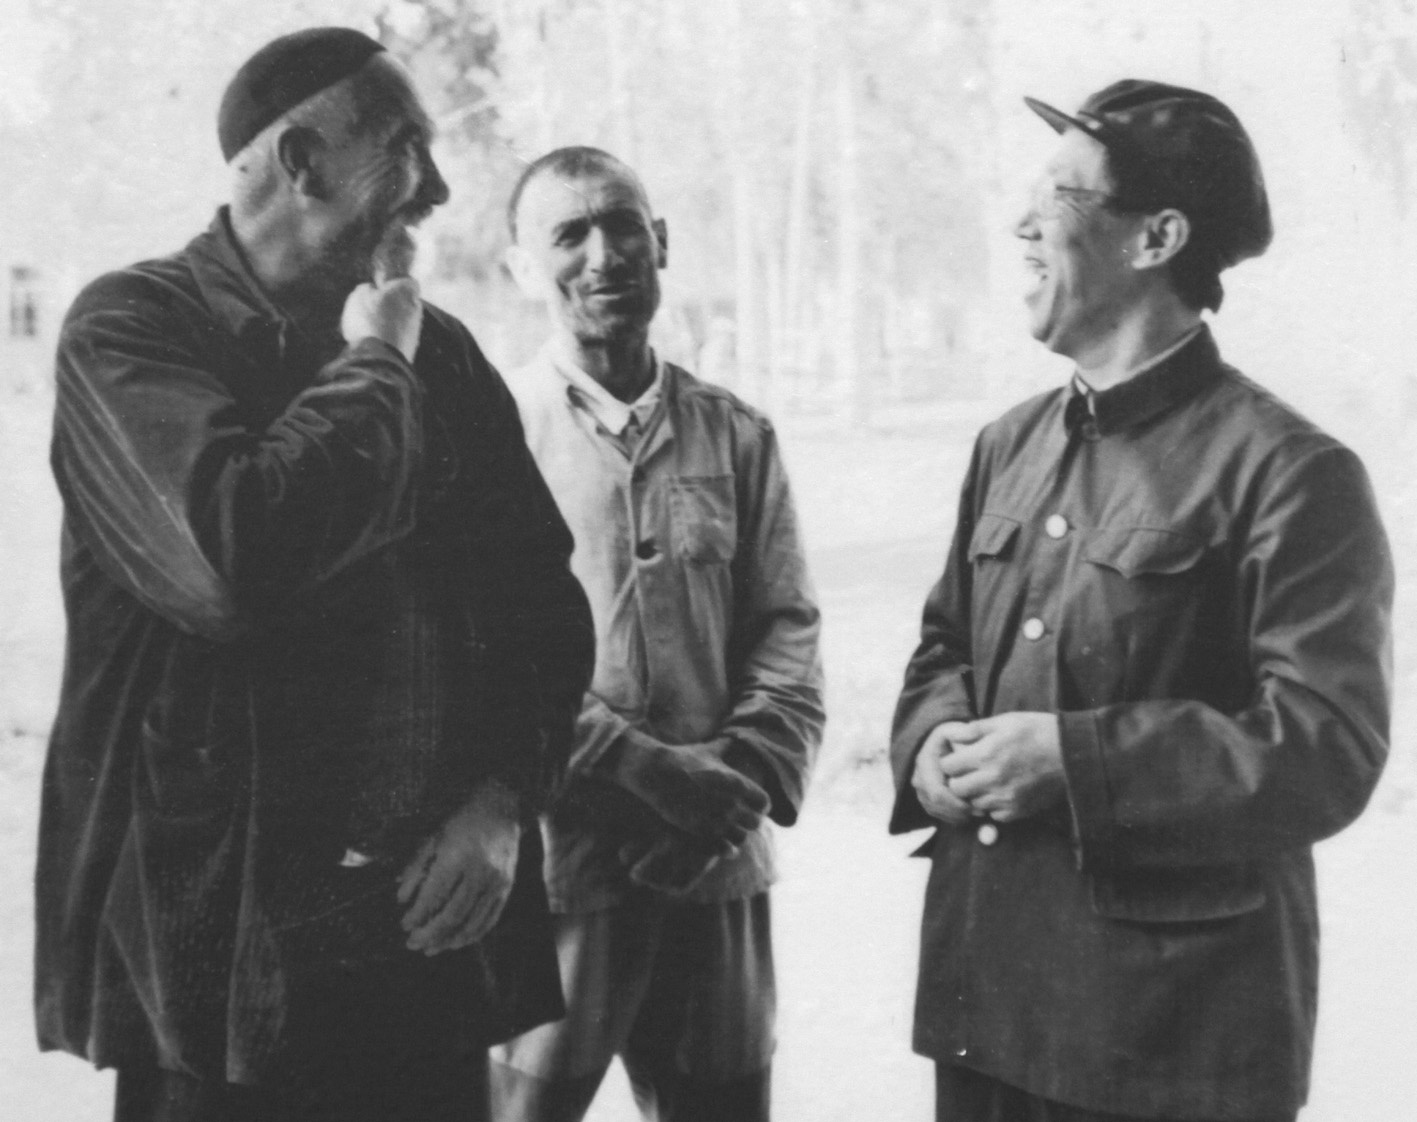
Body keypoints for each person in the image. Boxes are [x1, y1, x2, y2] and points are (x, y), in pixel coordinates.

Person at [35, 27, 594, 1122]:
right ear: (302, 162)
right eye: (405, 148)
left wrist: (500, 800)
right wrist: (375, 363)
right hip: (218, 954)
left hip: (422, 939)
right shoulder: (131, 328)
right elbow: (231, 559)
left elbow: (540, 602)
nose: (436, 188)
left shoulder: (441, 351)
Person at [889, 80, 1393, 1122]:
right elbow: (947, 645)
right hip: (988, 1004)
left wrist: (1073, 762)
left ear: (1157, 237)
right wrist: (931, 743)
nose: (1022, 223)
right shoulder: (1007, 444)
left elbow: (1327, 746)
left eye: (1059, 197)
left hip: (1172, 1038)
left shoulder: (1291, 471)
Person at [489, 146, 825, 1122]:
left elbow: (789, 632)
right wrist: (639, 772)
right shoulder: (489, 436)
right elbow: (484, 659)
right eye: (569, 234)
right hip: (559, 869)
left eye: (623, 226)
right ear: (522, 268)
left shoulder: (737, 434)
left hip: (716, 867)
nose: (604, 255)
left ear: (662, 242)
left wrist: (730, 782)